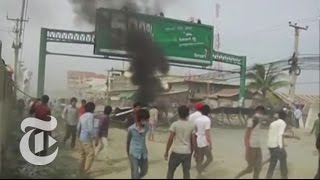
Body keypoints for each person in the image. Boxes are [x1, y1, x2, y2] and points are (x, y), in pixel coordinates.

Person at [164, 105, 196, 179]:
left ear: (178, 113)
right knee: (186, 172)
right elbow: (193, 140)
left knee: (171, 171)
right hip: (187, 152)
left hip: (176, 151)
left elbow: (170, 139)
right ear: (188, 114)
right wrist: (195, 151)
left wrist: (166, 151)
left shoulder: (175, 124)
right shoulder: (192, 125)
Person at [235, 105, 265, 179]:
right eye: (261, 113)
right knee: (250, 169)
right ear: (258, 112)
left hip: (258, 146)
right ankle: (236, 177)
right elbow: (246, 136)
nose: (261, 115)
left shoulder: (259, 120)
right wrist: (247, 150)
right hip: (252, 147)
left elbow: (266, 118)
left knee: (258, 168)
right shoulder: (251, 121)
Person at [126, 109, 150, 179]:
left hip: (143, 153)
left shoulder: (146, 127)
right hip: (134, 154)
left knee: (144, 171)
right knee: (135, 173)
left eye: (146, 120)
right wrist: (128, 153)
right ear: (139, 119)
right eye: (144, 120)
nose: (146, 121)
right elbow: (128, 141)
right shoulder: (131, 129)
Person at [266, 111, 288, 179]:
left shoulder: (273, 123)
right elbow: (280, 134)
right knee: (283, 159)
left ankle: (268, 177)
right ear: (285, 117)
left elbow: (271, 134)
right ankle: (284, 177)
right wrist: (281, 147)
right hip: (276, 146)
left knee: (273, 162)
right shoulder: (282, 123)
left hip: (270, 145)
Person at [77, 102, 96, 173]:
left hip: (81, 137)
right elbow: (90, 128)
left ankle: (81, 169)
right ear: (93, 108)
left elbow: (78, 127)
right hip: (87, 138)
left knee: (83, 154)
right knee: (90, 154)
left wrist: (78, 136)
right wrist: (94, 136)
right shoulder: (90, 116)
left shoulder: (82, 116)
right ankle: (86, 170)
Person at [194, 104, 213, 176]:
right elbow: (207, 133)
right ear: (208, 112)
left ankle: (199, 173)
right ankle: (200, 169)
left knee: (200, 158)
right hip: (204, 141)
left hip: (198, 140)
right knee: (210, 158)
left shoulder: (197, 119)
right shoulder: (207, 120)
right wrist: (210, 143)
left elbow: (196, 131)